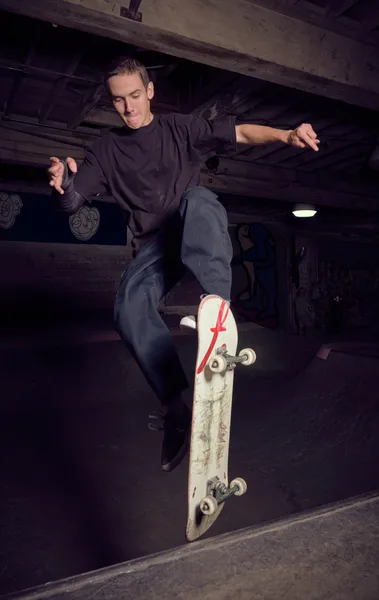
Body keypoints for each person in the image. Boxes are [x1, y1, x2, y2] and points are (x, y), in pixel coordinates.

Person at [48, 56, 320, 472]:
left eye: (135, 96)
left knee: (200, 200)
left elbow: (240, 131)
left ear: (150, 91)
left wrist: (286, 135)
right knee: (128, 307)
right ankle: (175, 407)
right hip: (154, 249)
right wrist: (62, 184)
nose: (129, 108)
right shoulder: (104, 150)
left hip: (191, 227)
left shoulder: (180, 128)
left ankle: (219, 310)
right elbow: (71, 202)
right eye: (119, 100)